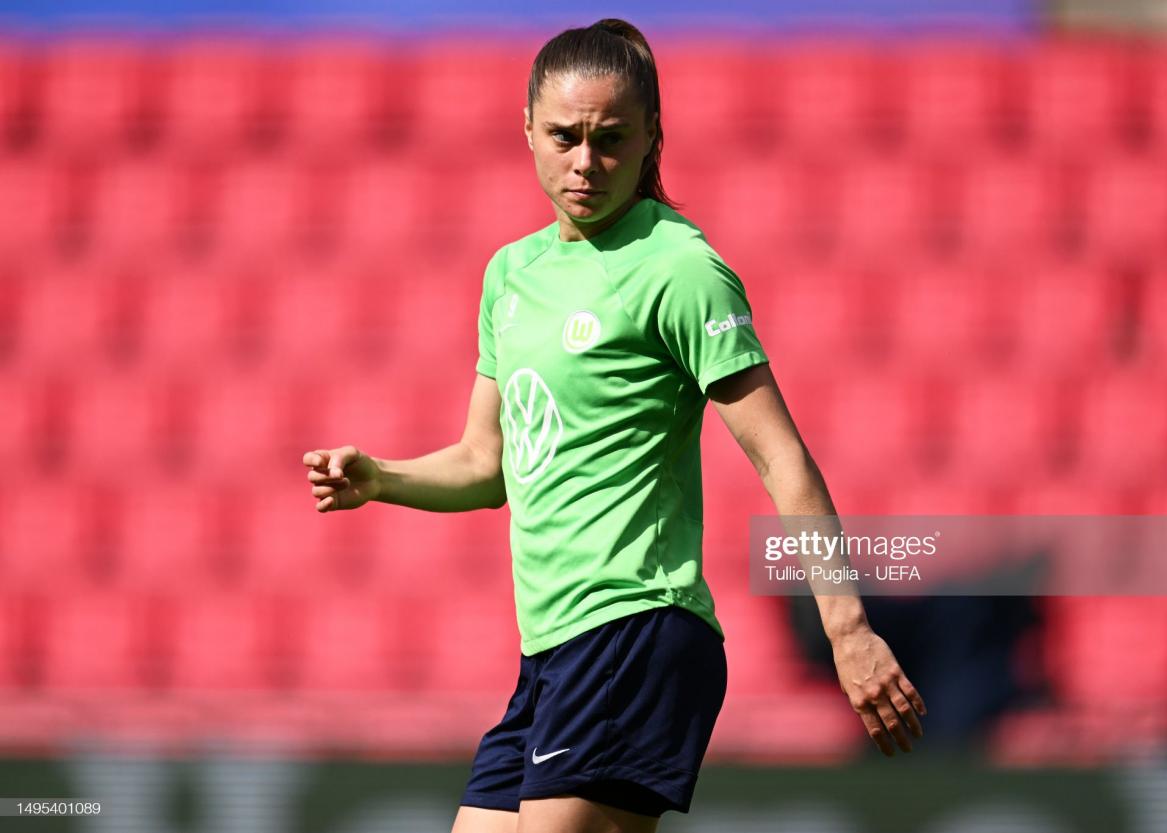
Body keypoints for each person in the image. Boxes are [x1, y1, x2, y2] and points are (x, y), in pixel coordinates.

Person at [303, 18, 925, 833]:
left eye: (611, 138)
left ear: (651, 137)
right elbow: (487, 464)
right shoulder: (511, 276)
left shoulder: (678, 268)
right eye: (564, 136)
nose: (586, 162)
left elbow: (783, 460)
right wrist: (383, 479)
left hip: (636, 630)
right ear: (526, 128)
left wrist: (848, 628)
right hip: (551, 657)